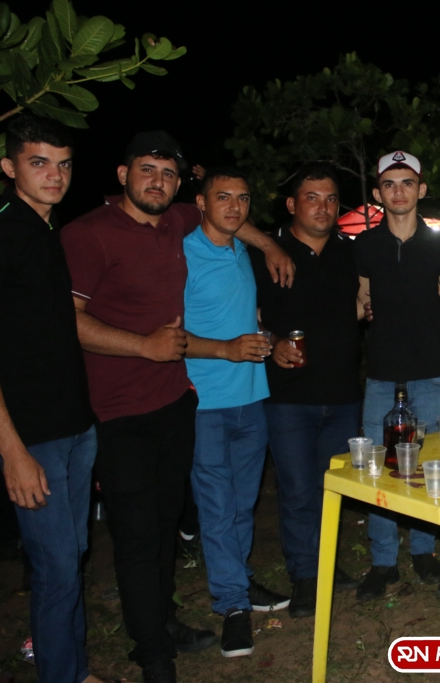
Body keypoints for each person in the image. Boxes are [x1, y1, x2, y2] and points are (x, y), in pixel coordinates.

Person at [60, 131, 294, 683]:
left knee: (213, 510)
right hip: (170, 401)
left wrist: (269, 246)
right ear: (123, 175)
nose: (157, 182)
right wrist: (174, 347)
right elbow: (79, 322)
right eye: (147, 170)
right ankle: (207, 619)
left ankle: (196, 605)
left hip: (214, 398)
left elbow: (232, 223)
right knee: (186, 514)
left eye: (167, 173)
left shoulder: (200, 232)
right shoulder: (127, 237)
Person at [0, 115, 107, 683]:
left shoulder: (48, 229)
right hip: (31, 437)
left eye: (63, 164)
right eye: (39, 162)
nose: (54, 175)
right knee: (56, 570)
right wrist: (12, 451)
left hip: (76, 427)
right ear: (9, 166)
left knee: (72, 557)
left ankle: (75, 669)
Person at [182, 167, 291, 658]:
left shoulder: (241, 251)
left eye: (243, 198)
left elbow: (242, 317)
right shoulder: (182, 252)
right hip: (206, 402)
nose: (234, 206)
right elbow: (171, 334)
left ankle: (240, 581)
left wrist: (267, 339)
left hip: (251, 397)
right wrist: (226, 348)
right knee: (217, 507)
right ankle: (231, 606)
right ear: (201, 202)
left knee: (243, 502)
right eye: (222, 197)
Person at [254, 162, 363, 619]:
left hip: (343, 395)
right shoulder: (267, 252)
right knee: (298, 490)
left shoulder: (349, 252)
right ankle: (304, 576)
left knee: (332, 487)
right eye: (312, 198)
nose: (323, 207)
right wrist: (272, 342)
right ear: (291, 204)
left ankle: (326, 562)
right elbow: (248, 313)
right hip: (288, 397)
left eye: (331, 198)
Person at [354, 152, 440, 600]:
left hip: (431, 373)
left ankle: (423, 550)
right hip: (381, 374)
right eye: (389, 184)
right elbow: (361, 301)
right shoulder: (365, 244)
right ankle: (383, 561)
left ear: (421, 189)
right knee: (377, 467)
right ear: (378, 193)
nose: (398, 191)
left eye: (407, 182)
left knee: (429, 463)